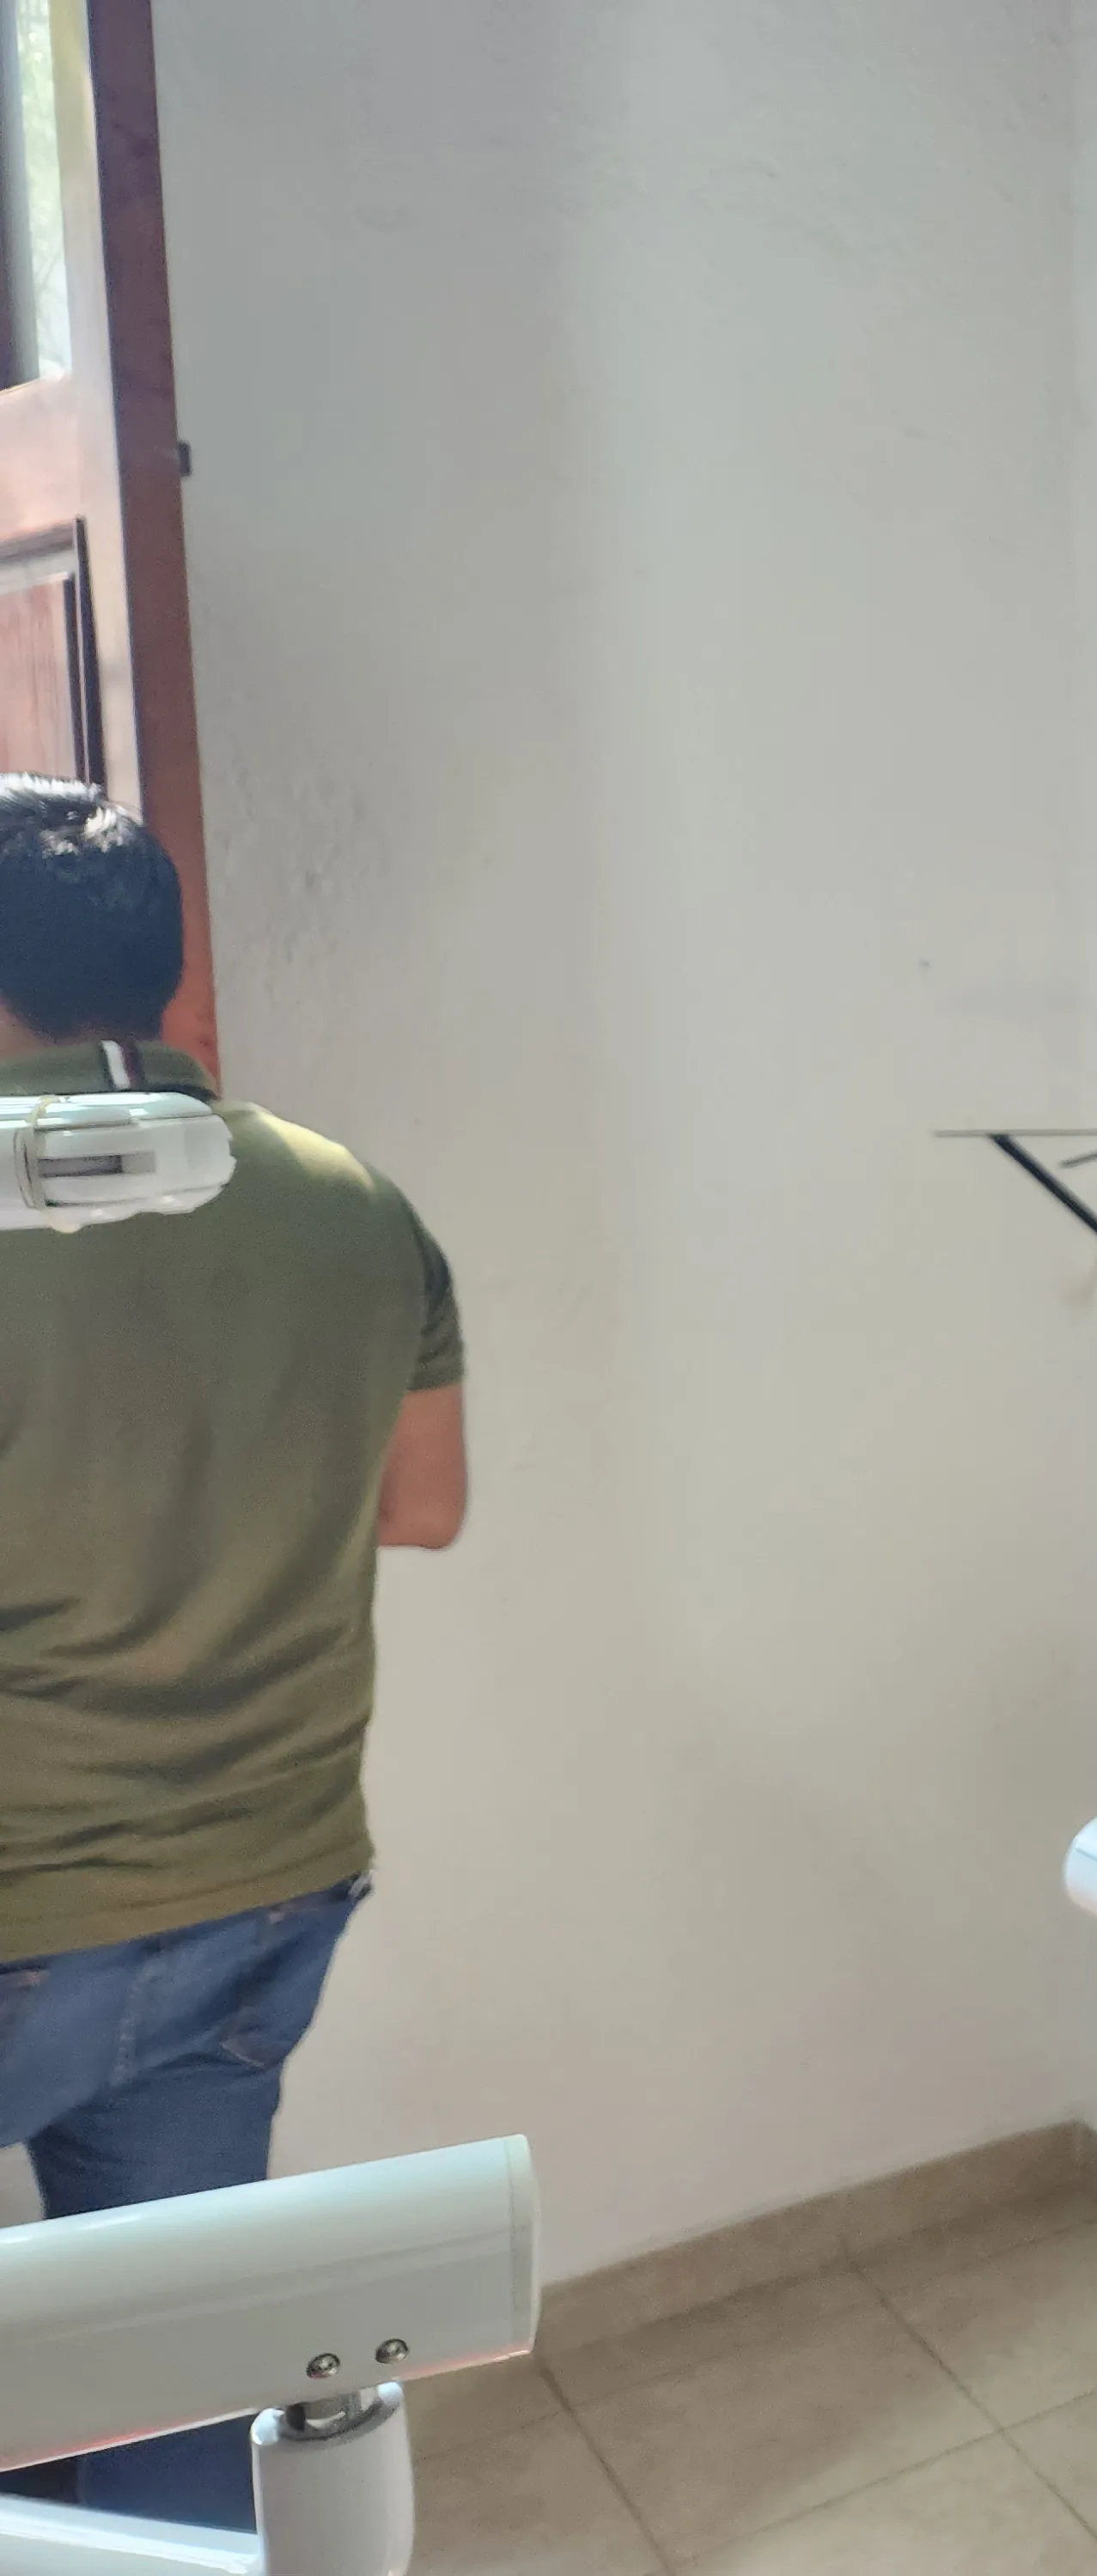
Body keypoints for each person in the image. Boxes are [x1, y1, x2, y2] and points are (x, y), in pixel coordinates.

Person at [0, 779, 466, 2530]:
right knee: (175, 2378)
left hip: (24, 1903)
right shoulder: (351, 1202)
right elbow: (423, 1503)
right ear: (160, 977)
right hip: (261, 1892)